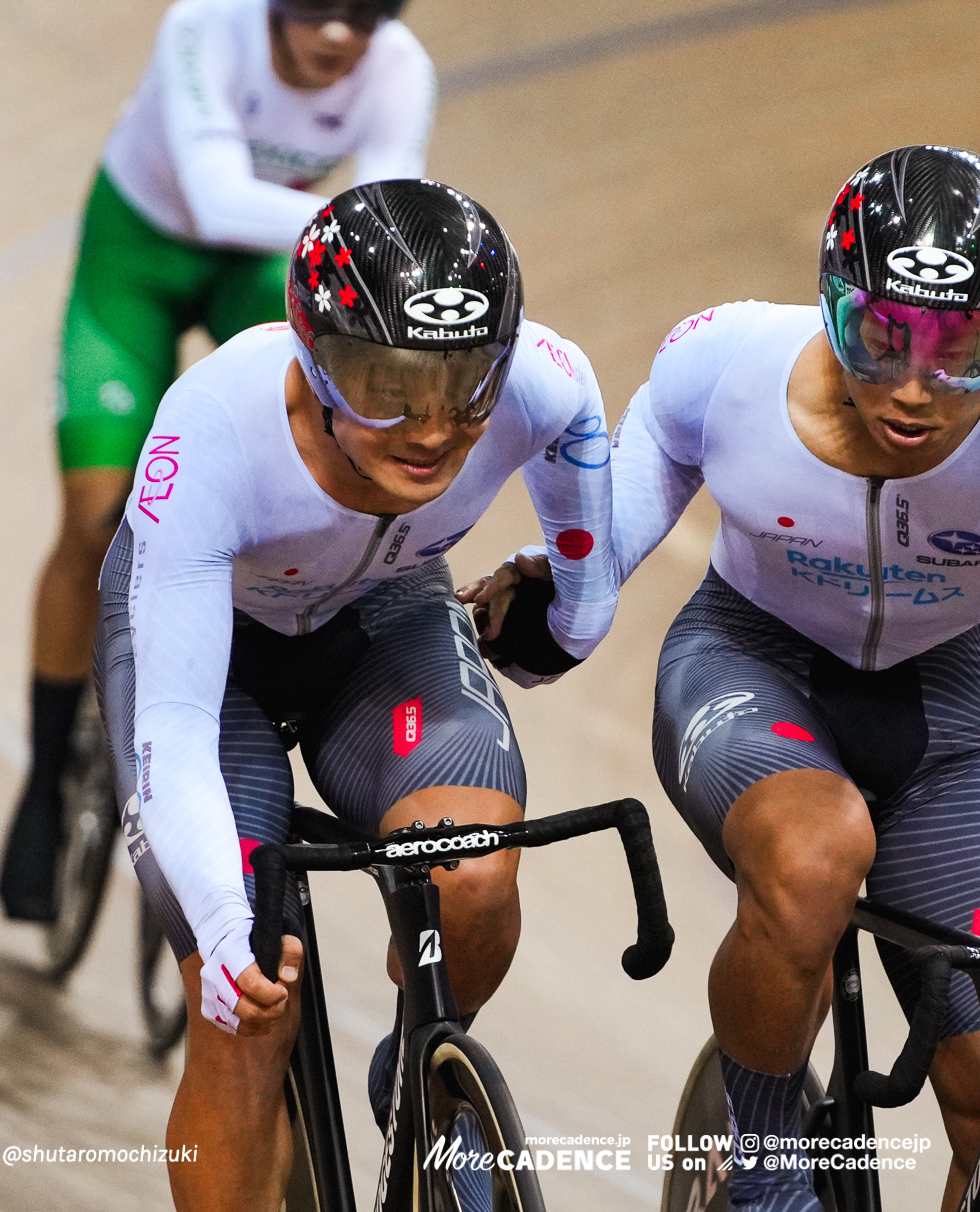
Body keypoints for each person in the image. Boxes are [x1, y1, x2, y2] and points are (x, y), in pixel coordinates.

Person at [474, 144, 980, 1210]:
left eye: (962, 348)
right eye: (882, 337)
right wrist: (558, 597)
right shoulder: (726, 361)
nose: (914, 388)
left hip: (947, 702)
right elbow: (628, 500)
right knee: (817, 851)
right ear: (833, 299)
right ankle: (762, 1156)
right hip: (749, 658)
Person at [100, 179, 613, 1209]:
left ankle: (419, 1057)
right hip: (216, 664)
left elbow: (581, 452)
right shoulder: (211, 429)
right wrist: (221, 930)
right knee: (243, 1012)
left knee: (471, 875)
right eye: (383, 384)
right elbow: (173, 731)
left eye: (464, 385)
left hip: (381, 618)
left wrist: (567, 610)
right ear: (312, 354)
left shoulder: (542, 384)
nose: (428, 428)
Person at [0, 0, 437, 922]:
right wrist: (357, 231)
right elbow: (216, 196)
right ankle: (42, 776)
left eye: (363, 10)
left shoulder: (400, 68)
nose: (335, 31)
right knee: (93, 512)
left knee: (277, 494)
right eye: (315, 0)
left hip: (265, 273)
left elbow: (341, 224)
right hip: (140, 256)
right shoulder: (206, 25)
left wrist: (355, 237)